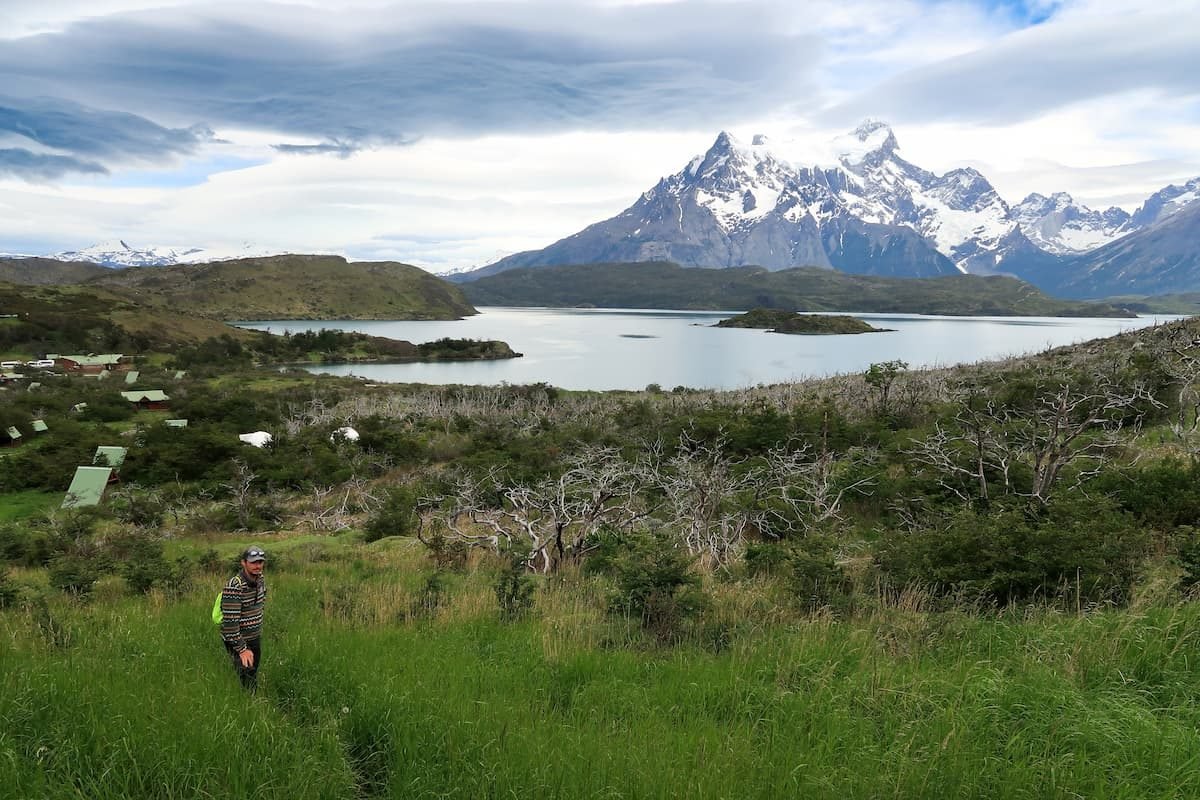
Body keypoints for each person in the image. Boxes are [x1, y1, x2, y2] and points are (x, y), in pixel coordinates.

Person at [220, 546, 268, 691]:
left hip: (254, 637)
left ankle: (252, 700)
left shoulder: (260, 580)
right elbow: (230, 624)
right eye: (253, 562)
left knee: (252, 674)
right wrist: (242, 649)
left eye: (260, 562)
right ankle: (249, 706)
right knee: (246, 679)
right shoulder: (234, 587)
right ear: (243, 563)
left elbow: (261, 604)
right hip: (239, 640)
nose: (257, 565)